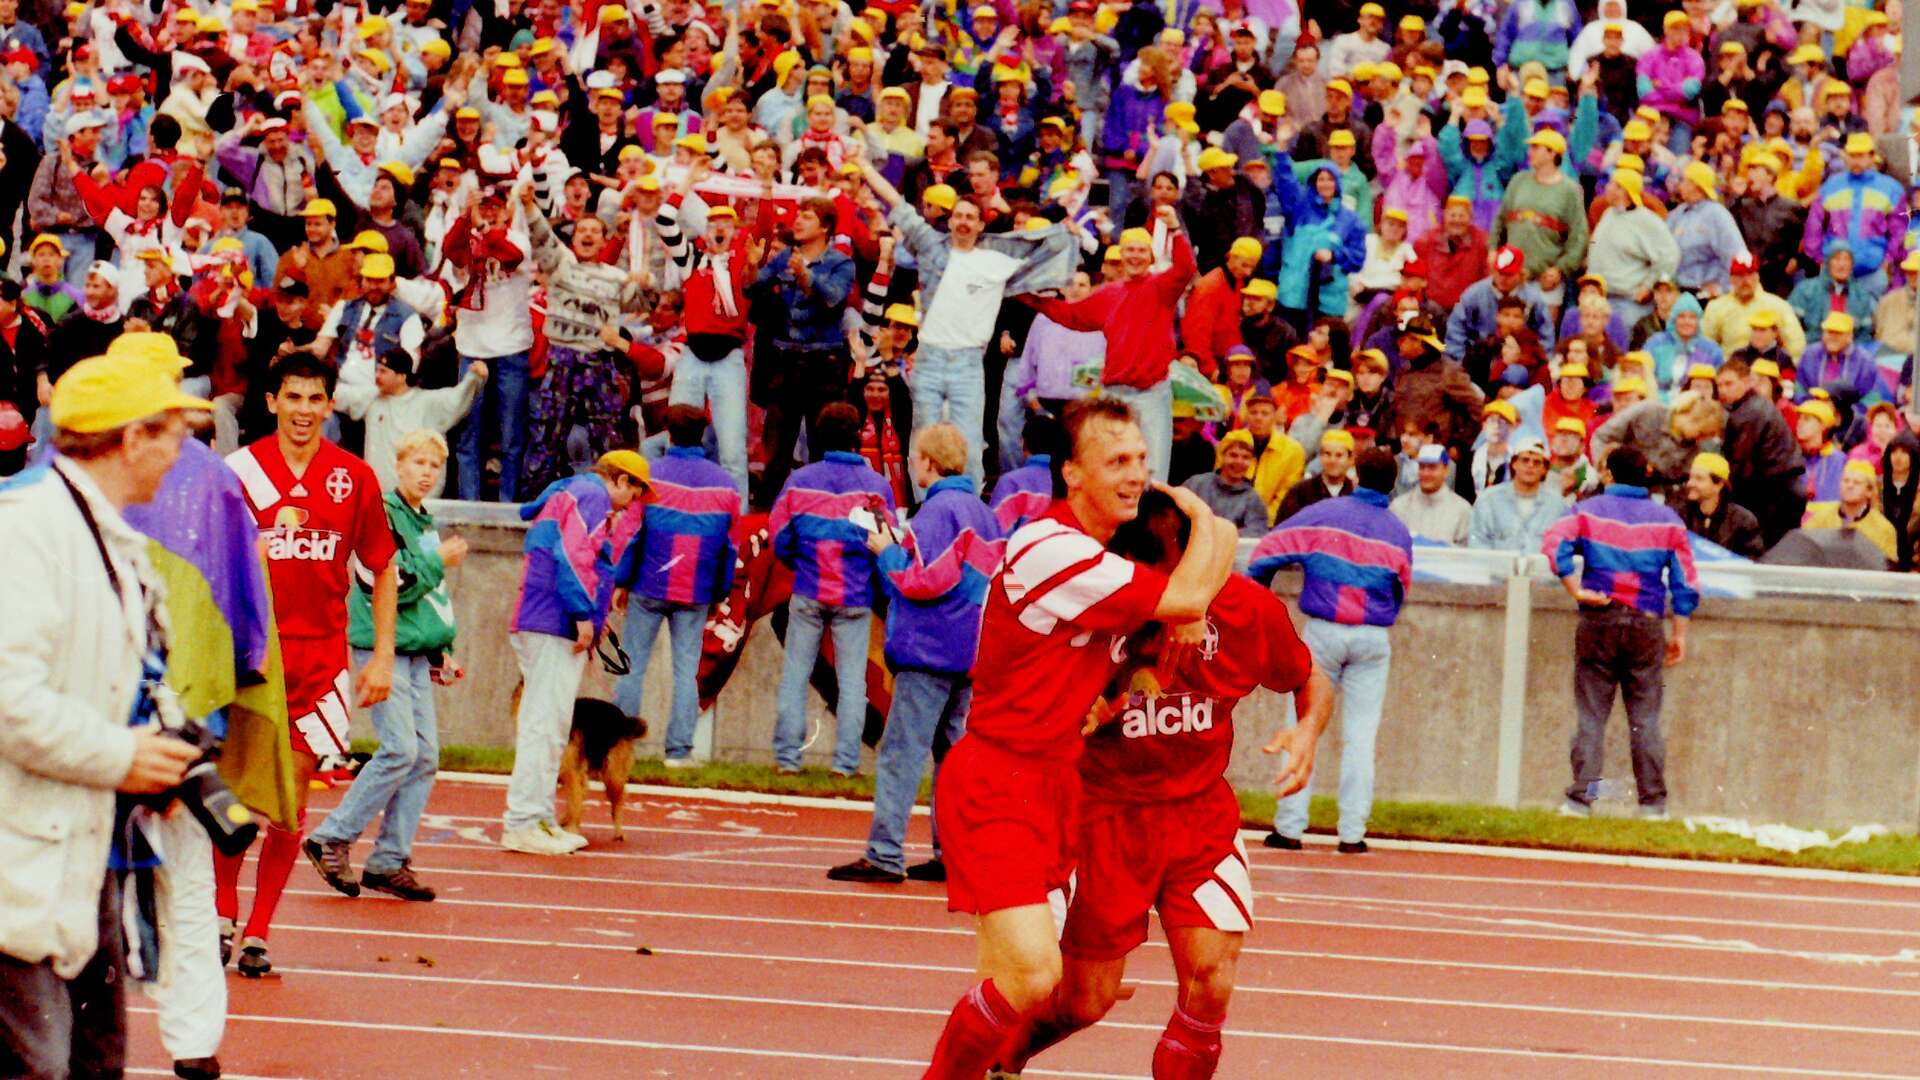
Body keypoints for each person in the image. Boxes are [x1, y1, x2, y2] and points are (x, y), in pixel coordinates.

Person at [919, 397, 1234, 1080]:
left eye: (1143, 461)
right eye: (1117, 461)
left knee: (1016, 984)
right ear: (1072, 474)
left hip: (1058, 784)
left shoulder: (1099, 553)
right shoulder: (1051, 548)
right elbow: (1188, 599)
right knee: (1033, 977)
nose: (1136, 476)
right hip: (998, 779)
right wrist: (1208, 516)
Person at [994, 488, 1330, 1079]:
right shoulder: (1092, 609)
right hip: (1103, 818)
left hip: (1198, 817)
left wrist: (1307, 729)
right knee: (1084, 1001)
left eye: (1157, 557)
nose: (1143, 573)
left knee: (1212, 976)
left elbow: (1310, 677)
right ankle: (1002, 1057)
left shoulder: (1246, 610)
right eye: (1127, 556)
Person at [0, 353, 206, 1080]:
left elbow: (132, 685)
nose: (182, 450)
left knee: (96, 1063)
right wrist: (121, 757)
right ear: (132, 438)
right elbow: (6, 698)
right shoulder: (25, 532)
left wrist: (164, 756)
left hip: (79, 864)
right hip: (18, 871)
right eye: (174, 432)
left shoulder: (116, 545)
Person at [217, 354, 398, 979]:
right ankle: (221, 913)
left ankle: (260, 931)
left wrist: (380, 657)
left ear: (328, 405)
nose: (302, 410)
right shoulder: (238, 472)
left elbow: (382, 567)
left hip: (320, 666)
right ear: (272, 402)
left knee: (289, 806)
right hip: (250, 661)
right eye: (291, 397)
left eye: (314, 398)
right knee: (237, 799)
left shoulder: (355, 477)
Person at [829, 423, 1003, 884]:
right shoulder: (986, 515)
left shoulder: (937, 512)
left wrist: (887, 552)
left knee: (902, 754)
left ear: (927, 461)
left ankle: (885, 853)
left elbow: (923, 581)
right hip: (970, 649)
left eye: (915, 457)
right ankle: (951, 852)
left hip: (928, 646)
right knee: (954, 758)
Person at [303, 430, 466, 903]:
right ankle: (333, 835)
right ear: (398, 465)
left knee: (424, 755)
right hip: (382, 648)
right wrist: (438, 560)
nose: (426, 472)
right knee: (399, 749)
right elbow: (394, 583)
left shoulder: (422, 519)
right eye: (418, 462)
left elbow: (426, 601)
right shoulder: (387, 515)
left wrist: (442, 647)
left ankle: (389, 859)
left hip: (415, 649)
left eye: (434, 465)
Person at [851, 144, 1074, 486]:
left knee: (968, 442)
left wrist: (1068, 221)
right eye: (959, 215)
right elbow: (898, 205)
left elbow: (1052, 246)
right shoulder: (930, 244)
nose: (964, 222)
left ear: (981, 224)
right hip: (929, 358)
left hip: (970, 363)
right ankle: (927, 514)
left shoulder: (997, 258)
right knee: (923, 442)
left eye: (971, 217)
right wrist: (864, 166)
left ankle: (966, 510)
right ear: (950, 219)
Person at [1250, 446, 1413, 854]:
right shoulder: (1397, 530)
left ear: (1357, 473)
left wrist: (1261, 597)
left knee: (1303, 723)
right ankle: (1352, 834)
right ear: (1393, 483)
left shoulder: (1325, 513)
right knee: (1362, 736)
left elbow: (1266, 552)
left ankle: (1289, 828)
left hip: (1323, 631)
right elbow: (1401, 588)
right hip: (1372, 636)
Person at [501, 450, 652, 854]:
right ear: (619, 480)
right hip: (551, 620)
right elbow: (572, 556)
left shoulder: (579, 495)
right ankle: (524, 821)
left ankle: (540, 819)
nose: (634, 501)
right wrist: (584, 614)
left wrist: (593, 618)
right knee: (544, 727)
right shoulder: (592, 495)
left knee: (550, 727)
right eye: (634, 491)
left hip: (550, 619)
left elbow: (586, 561)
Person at [1544, 445, 1698, 821]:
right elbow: (1685, 581)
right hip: (1646, 621)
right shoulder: (1668, 521)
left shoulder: (1587, 510)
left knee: (1592, 715)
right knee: (1645, 719)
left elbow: (1553, 543)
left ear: (1609, 475)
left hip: (1600, 616)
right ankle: (1652, 805)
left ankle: (1581, 800)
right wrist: (1680, 632)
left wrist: (1574, 588)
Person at [1019, 209, 1198, 481]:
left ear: (1150, 257)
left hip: (1150, 394)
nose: (1135, 256)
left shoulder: (1162, 287)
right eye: (1130, 250)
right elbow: (1072, 315)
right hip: (1114, 395)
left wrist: (1175, 229)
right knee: (1112, 467)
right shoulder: (1108, 294)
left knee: (1152, 472)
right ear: (1121, 256)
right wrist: (1030, 299)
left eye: (1141, 250)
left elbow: (1186, 268)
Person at [768, 402, 897, 776]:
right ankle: (845, 764)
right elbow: (886, 541)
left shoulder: (800, 481)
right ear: (857, 437)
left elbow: (780, 538)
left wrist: (801, 563)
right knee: (853, 682)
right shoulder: (875, 487)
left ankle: (788, 761)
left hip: (809, 589)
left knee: (795, 674)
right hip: (855, 595)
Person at [609, 406, 741, 767]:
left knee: (631, 665)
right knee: (687, 671)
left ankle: (616, 745)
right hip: (696, 590)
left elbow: (631, 533)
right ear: (703, 435)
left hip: (649, 584)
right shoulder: (725, 485)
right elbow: (730, 548)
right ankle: (679, 751)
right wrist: (719, 592)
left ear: (668, 434)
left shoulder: (652, 476)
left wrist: (620, 581)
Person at [337, 350, 487, 495]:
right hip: (379, 499)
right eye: (377, 370)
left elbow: (458, 398)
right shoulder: (371, 398)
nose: (377, 376)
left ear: (401, 377)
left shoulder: (427, 403)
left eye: (383, 372)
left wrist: (474, 377)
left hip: (418, 500)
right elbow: (336, 393)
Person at [1713, 356, 1805, 550]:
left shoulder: (1750, 412)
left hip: (1775, 495)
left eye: (1729, 384)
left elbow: (1741, 465)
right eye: (1719, 385)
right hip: (1778, 491)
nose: (1723, 390)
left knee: (1771, 554)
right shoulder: (1751, 407)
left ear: (1746, 382)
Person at [1469, 437, 1567, 552]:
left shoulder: (1557, 506)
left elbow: (1563, 547)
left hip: (1540, 570)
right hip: (1496, 569)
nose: (1530, 466)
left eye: (1537, 462)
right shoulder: (1488, 500)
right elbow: (1477, 542)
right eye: (1525, 460)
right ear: (1514, 464)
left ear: (1544, 469)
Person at [1801, 460, 1898, 563]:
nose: (1850, 486)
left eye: (1857, 483)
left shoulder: (1883, 528)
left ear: (1869, 491)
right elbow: (1804, 552)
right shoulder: (1820, 519)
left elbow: (1887, 568)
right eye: (1846, 481)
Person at [1182, 428, 1272, 535]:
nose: (1239, 462)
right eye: (1233, 455)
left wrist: (1224, 534)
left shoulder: (1253, 499)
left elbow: (1257, 531)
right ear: (1222, 456)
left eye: (1245, 457)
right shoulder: (1197, 484)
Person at [1679, 452, 1765, 558]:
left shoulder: (1743, 521)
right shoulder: (1680, 515)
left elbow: (1751, 559)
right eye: (1690, 478)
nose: (1690, 484)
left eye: (1699, 479)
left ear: (1719, 485)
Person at [1392, 442, 1472, 545]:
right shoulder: (1399, 506)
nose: (1426, 473)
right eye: (1422, 467)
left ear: (1446, 470)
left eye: (1432, 467)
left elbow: (1466, 554)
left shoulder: (1462, 510)